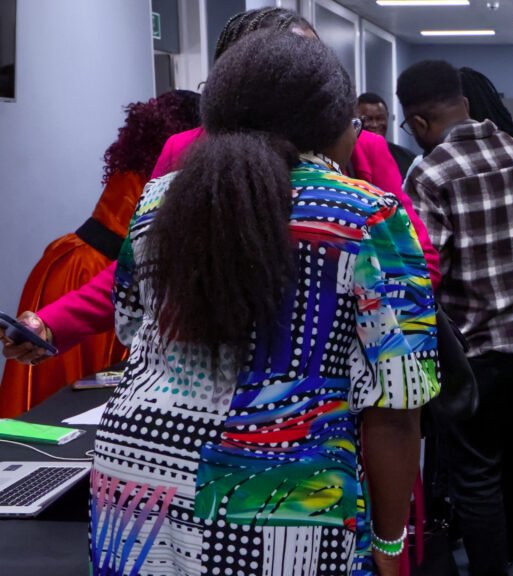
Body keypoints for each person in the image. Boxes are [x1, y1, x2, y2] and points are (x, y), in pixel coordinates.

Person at [89, 30, 437, 576]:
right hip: (283, 492)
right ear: (331, 125)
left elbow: (132, 327)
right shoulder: (367, 215)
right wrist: (391, 545)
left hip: (135, 473)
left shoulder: (160, 199)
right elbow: (396, 403)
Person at [2, 7, 440, 371]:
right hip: (211, 375)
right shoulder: (187, 151)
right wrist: (52, 323)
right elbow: (145, 265)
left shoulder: (360, 147)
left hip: (339, 372)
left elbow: (417, 265)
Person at [398, 59, 513, 576]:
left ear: (418, 122)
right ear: (464, 104)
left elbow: (426, 271)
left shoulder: (430, 173)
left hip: (477, 355)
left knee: (476, 476)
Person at [0, 90, 201, 417]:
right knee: (72, 402)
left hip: (69, 261)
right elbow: (142, 261)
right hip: (97, 273)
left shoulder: (146, 156)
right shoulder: (179, 151)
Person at [358, 92, 418, 177]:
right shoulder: (347, 159)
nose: (375, 124)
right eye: (368, 119)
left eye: (380, 118)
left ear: (387, 117)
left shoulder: (407, 158)